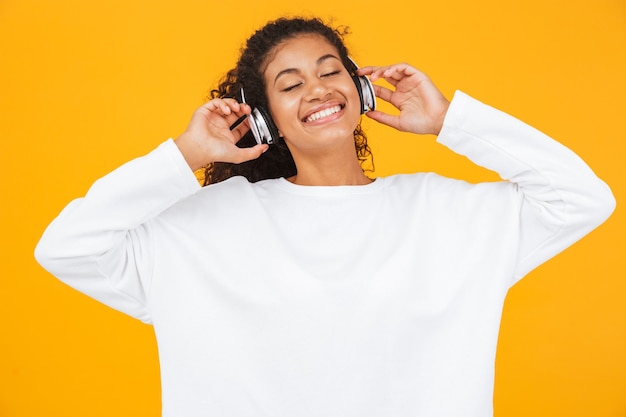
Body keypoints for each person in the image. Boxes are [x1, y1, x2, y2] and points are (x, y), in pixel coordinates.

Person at [35, 16, 615, 417]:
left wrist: (451, 121)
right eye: (290, 85)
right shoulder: (202, 229)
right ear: (266, 121)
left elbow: (583, 198)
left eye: (330, 71)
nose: (316, 90)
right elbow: (66, 247)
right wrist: (185, 155)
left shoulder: (448, 213)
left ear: (360, 87)